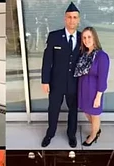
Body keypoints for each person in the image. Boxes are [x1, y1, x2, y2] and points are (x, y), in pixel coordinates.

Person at [41, 2, 82, 148]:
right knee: (53, 109)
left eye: (75, 17)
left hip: (75, 83)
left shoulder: (83, 38)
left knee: (73, 110)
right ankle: (50, 133)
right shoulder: (54, 36)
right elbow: (47, 60)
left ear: (79, 20)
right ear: (65, 19)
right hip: (56, 82)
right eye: (69, 17)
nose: (72, 20)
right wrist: (45, 81)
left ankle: (71, 135)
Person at [74, 26, 109, 146]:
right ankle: (96, 128)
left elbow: (103, 78)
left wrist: (98, 96)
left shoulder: (101, 56)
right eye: (84, 37)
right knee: (86, 111)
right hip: (83, 88)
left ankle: (94, 135)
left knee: (94, 115)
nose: (86, 40)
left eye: (89, 37)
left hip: (94, 90)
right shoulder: (84, 54)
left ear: (94, 38)